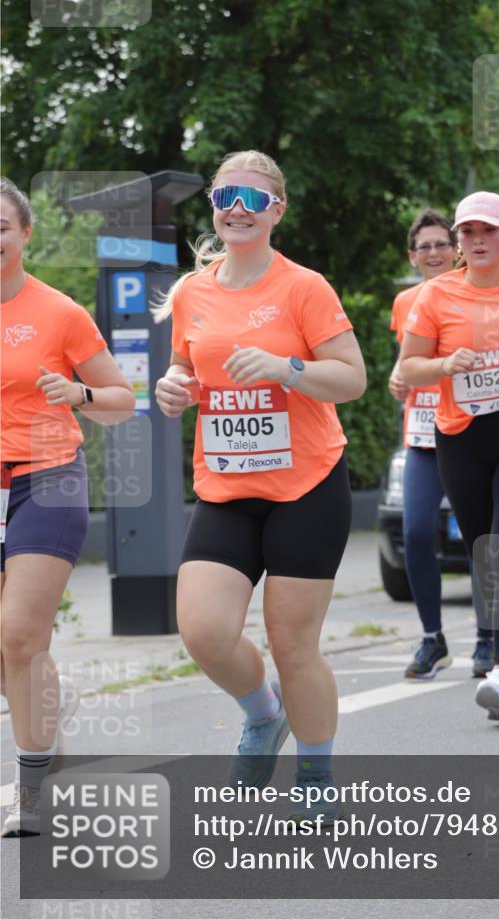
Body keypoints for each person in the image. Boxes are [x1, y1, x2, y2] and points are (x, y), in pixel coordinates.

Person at [154, 150, 366, 818]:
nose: (237, 210)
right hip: (225, 485)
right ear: (213, 208)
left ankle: (315, 774)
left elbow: (352, 379)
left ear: (276, 209)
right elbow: (183, 374)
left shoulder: (304, 287)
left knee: (292, 642)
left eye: (251, 197)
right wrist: (171, 391)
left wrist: (286, 367)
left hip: (306, 482)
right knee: (203, 631)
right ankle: (261, 713)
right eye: (225, 198)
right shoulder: (192, 291)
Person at [0, 178, 135, 835]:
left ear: (25, 234)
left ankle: (31, 795)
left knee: (21, 634)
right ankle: (51, 710)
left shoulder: (58, 313)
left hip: (47, 477)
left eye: (2, 226)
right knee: (8, 653)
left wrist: (77, 393)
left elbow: (122, 399)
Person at [400, 192, 499, 715]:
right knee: (485, 555)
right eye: (469, 233)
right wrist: (443, 365)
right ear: (460, 242)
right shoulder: (435, 296)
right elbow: (408, 368)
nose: (478, 241)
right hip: (458, 436)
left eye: (488, 231)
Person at [388, 209, 458, 679]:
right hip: (423, 435)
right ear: (413, 257)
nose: (434, 253)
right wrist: (398, 380)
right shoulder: (406, 302)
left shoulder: (481, 294)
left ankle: (496, 639)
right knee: (415, 532)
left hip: (474, 432)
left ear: (456, 251)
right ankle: (432, 637)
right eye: (425, 247)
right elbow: (406, 364)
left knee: (484, 536)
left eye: (441, 245)